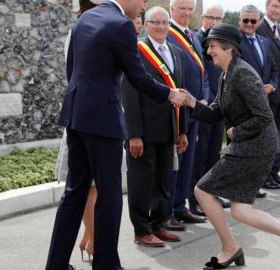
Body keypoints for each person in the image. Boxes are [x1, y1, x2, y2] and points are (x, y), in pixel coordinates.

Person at [45, 0, 187, 269]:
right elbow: (138, 77)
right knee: (109, 197)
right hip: (103, 122)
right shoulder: (121, 25)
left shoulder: (85, 18)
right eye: (143, 0)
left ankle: (56, 265)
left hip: (76, 116)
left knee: (73, 194)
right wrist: (170, 94)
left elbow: (71, 70)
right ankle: (107, 265)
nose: (144, 5)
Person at [180, 23, 280, 270]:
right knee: (241, 210)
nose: (209, 51)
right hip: (253, 146)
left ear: (229, 49)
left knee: (203, 191)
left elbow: (263, 116)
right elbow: (216, 112)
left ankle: (230, 248)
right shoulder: (228, 73)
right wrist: (190, 102)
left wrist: (237, 131)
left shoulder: (242, 74)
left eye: (213, 46)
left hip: (255, 147)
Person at [122, 6, 188, 248]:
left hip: (168, 128)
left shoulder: (177, 52)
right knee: (141, 182)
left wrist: (182, 130)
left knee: (163, 179)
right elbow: (128, 94)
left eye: (165, 23)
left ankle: (159, 224)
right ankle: (142, 229)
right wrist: (134, 133)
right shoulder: (136, 51)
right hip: (144, 131)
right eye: (155, 22)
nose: (161, 27)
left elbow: (179, 95)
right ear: (145, 24)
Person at [54, 0, 103, 264]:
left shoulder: (87, 27)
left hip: (95, 114)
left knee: (93, 187)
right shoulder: (81, 30)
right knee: (87, 187)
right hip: (86, 115)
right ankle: (93, 241)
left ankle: (89, 238)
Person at [165, 0, 207, 228]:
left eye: (190, 9)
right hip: (178, 108)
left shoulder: (192, 36)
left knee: (188, 161)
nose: (187, 13)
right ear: (173, 9)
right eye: (182, 8)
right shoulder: (167, 33)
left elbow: (203, 73)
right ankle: (169, 209)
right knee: (175, 162)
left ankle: (181, 206)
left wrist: (203, 98)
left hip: (195, 108)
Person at [191, 2, 231, 215]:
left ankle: (212, 194)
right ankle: (196, 199)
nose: (214, 22)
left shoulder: (226, 43)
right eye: (210, 18)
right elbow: (202, 75)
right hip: (205, 106)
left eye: (218, 19)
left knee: (215, 153)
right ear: (203, 18)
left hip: (221, 105)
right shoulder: (197, 40)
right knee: (200, 154)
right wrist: (204, 100)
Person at [237, 4, 280, 197]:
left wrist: (272, 84)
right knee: (245, 146)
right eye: (245, 20)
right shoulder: (235, 42)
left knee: (259, 146)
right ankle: (243, 186)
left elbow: (273, 69)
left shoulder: (264, 41)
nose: (249, 24)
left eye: (253, 21)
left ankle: (253, 185)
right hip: (243, 104)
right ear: (239, 21)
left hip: (265, 102)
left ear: (258, 21)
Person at [256, 0, 280, 189]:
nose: (278, 11)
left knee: (279, 134)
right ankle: (264, 177)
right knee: (268, 137)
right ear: (266, 7)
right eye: (274, 7)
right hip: (268, 93)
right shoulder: (259, 28)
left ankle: (274, 173)